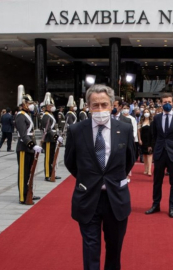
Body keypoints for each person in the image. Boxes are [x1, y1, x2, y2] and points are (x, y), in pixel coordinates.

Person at [64, 84, 135, 270]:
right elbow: (70, 162)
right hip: (88, 198)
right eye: (95, 105)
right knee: (90, 248)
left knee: (114, 248)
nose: (100, 109)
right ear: (88, 106)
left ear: (113, 104)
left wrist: (111, 179)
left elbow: (129, 160)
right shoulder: (76, 130)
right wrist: (88, 179)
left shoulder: (125, 128)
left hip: (116, 199)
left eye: (104, 104)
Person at [145, 93, 173, 218]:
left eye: (169, 102)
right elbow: (155, 135)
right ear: (161, 103)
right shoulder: (156, 118)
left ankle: (172, 207)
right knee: (157, 181)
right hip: (160, 152)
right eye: (164, 102)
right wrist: (155, 147)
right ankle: (155, 204)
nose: (167, 104)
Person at [41, 92, 63, 182]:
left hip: (52, 138)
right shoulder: (46, 116)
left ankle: (52, 172)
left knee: (52, 157)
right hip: (48, 139)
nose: (52, 107)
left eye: (52, 105)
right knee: (48, 157)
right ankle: (47, 174)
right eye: (50, 105)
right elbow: (48, 130)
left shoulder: (50, 115)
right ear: (46, 107)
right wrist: (57, 137)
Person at [139, 108, 154, 175]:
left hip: (150, 139)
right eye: (145, 112)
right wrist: (139, 139)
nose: (146, 113)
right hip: (143, 139)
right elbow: (138, 131)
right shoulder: (141, 122)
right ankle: (146, 168)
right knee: (144, 154)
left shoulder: (152, 122)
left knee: (150, 154)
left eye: (147, 112)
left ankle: (150, 170)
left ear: (150, 113)